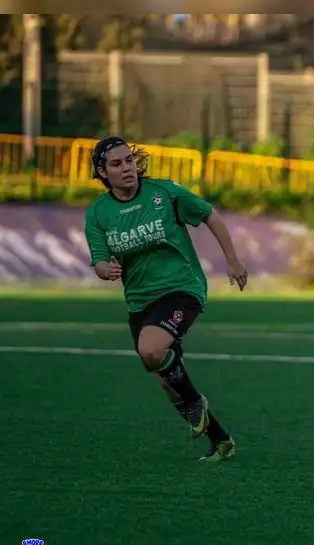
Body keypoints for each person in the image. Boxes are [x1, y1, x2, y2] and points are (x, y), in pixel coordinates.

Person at [83, 136, 248, 462]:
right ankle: (221, 441)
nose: (126, 168)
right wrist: (107, 270)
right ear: (102, 172)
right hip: (140, 302)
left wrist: (232, 259)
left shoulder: (164, 193)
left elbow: (209, 215)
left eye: (129, 160)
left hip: (181, 287)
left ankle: (196, 402)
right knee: (165, 379)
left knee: (151, 349)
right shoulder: (98, 213)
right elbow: (99, 261)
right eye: (116, 164)